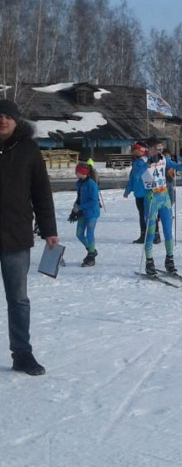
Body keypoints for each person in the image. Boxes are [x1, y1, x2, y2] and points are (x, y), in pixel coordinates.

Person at [0, 99, 58, 376]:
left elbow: (41, 192)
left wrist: (49, 230)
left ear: (16, 120)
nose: (2, 120)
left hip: (15, 236)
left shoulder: (28, 150)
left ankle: (22, 354)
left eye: (7, 116)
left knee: (18, 300)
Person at [131, 138, 181, 276]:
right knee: (151, 232)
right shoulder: (140, 161)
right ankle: (149, 262)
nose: (160, 152)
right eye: (157, 149)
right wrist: (148, 163)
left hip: (164, 197)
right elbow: (135, 175)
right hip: (151, 198)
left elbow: (178, 167)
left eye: (161, 149)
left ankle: (169, 260)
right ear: (150, 149)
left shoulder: (164, 159)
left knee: (168, 231)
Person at [69, 162, 101, 266]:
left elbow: (94, 201)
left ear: (83, 173)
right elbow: (79, 197)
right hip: (82, 212)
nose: (75, 173)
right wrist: (74, 210)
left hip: (91, 213)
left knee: (89, 234)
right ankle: (91, 250)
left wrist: (80, 207)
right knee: (79, 234)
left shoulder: (92, 184)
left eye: (77, 171)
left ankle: (91, 256)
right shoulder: (79, 183)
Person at [123, 141, 153, 244]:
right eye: (133, 150)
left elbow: (136, 175)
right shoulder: (138, 161)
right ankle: (145, 234)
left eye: (136, 150)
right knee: (144, 214)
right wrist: (127, 190)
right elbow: (132, 178)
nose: (133, 152)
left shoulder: (144, 161)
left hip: (146, 192)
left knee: (148, 214)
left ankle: (151, 234)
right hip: (139, 193)